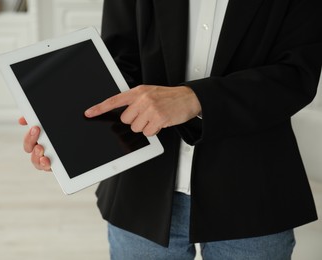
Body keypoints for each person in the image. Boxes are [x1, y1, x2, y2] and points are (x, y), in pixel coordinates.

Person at [20, 0, 322, 259]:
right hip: (142, 191)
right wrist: (67, 132)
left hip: (253, 191)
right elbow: (119, 63)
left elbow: (296, 76)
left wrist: (196, 99)